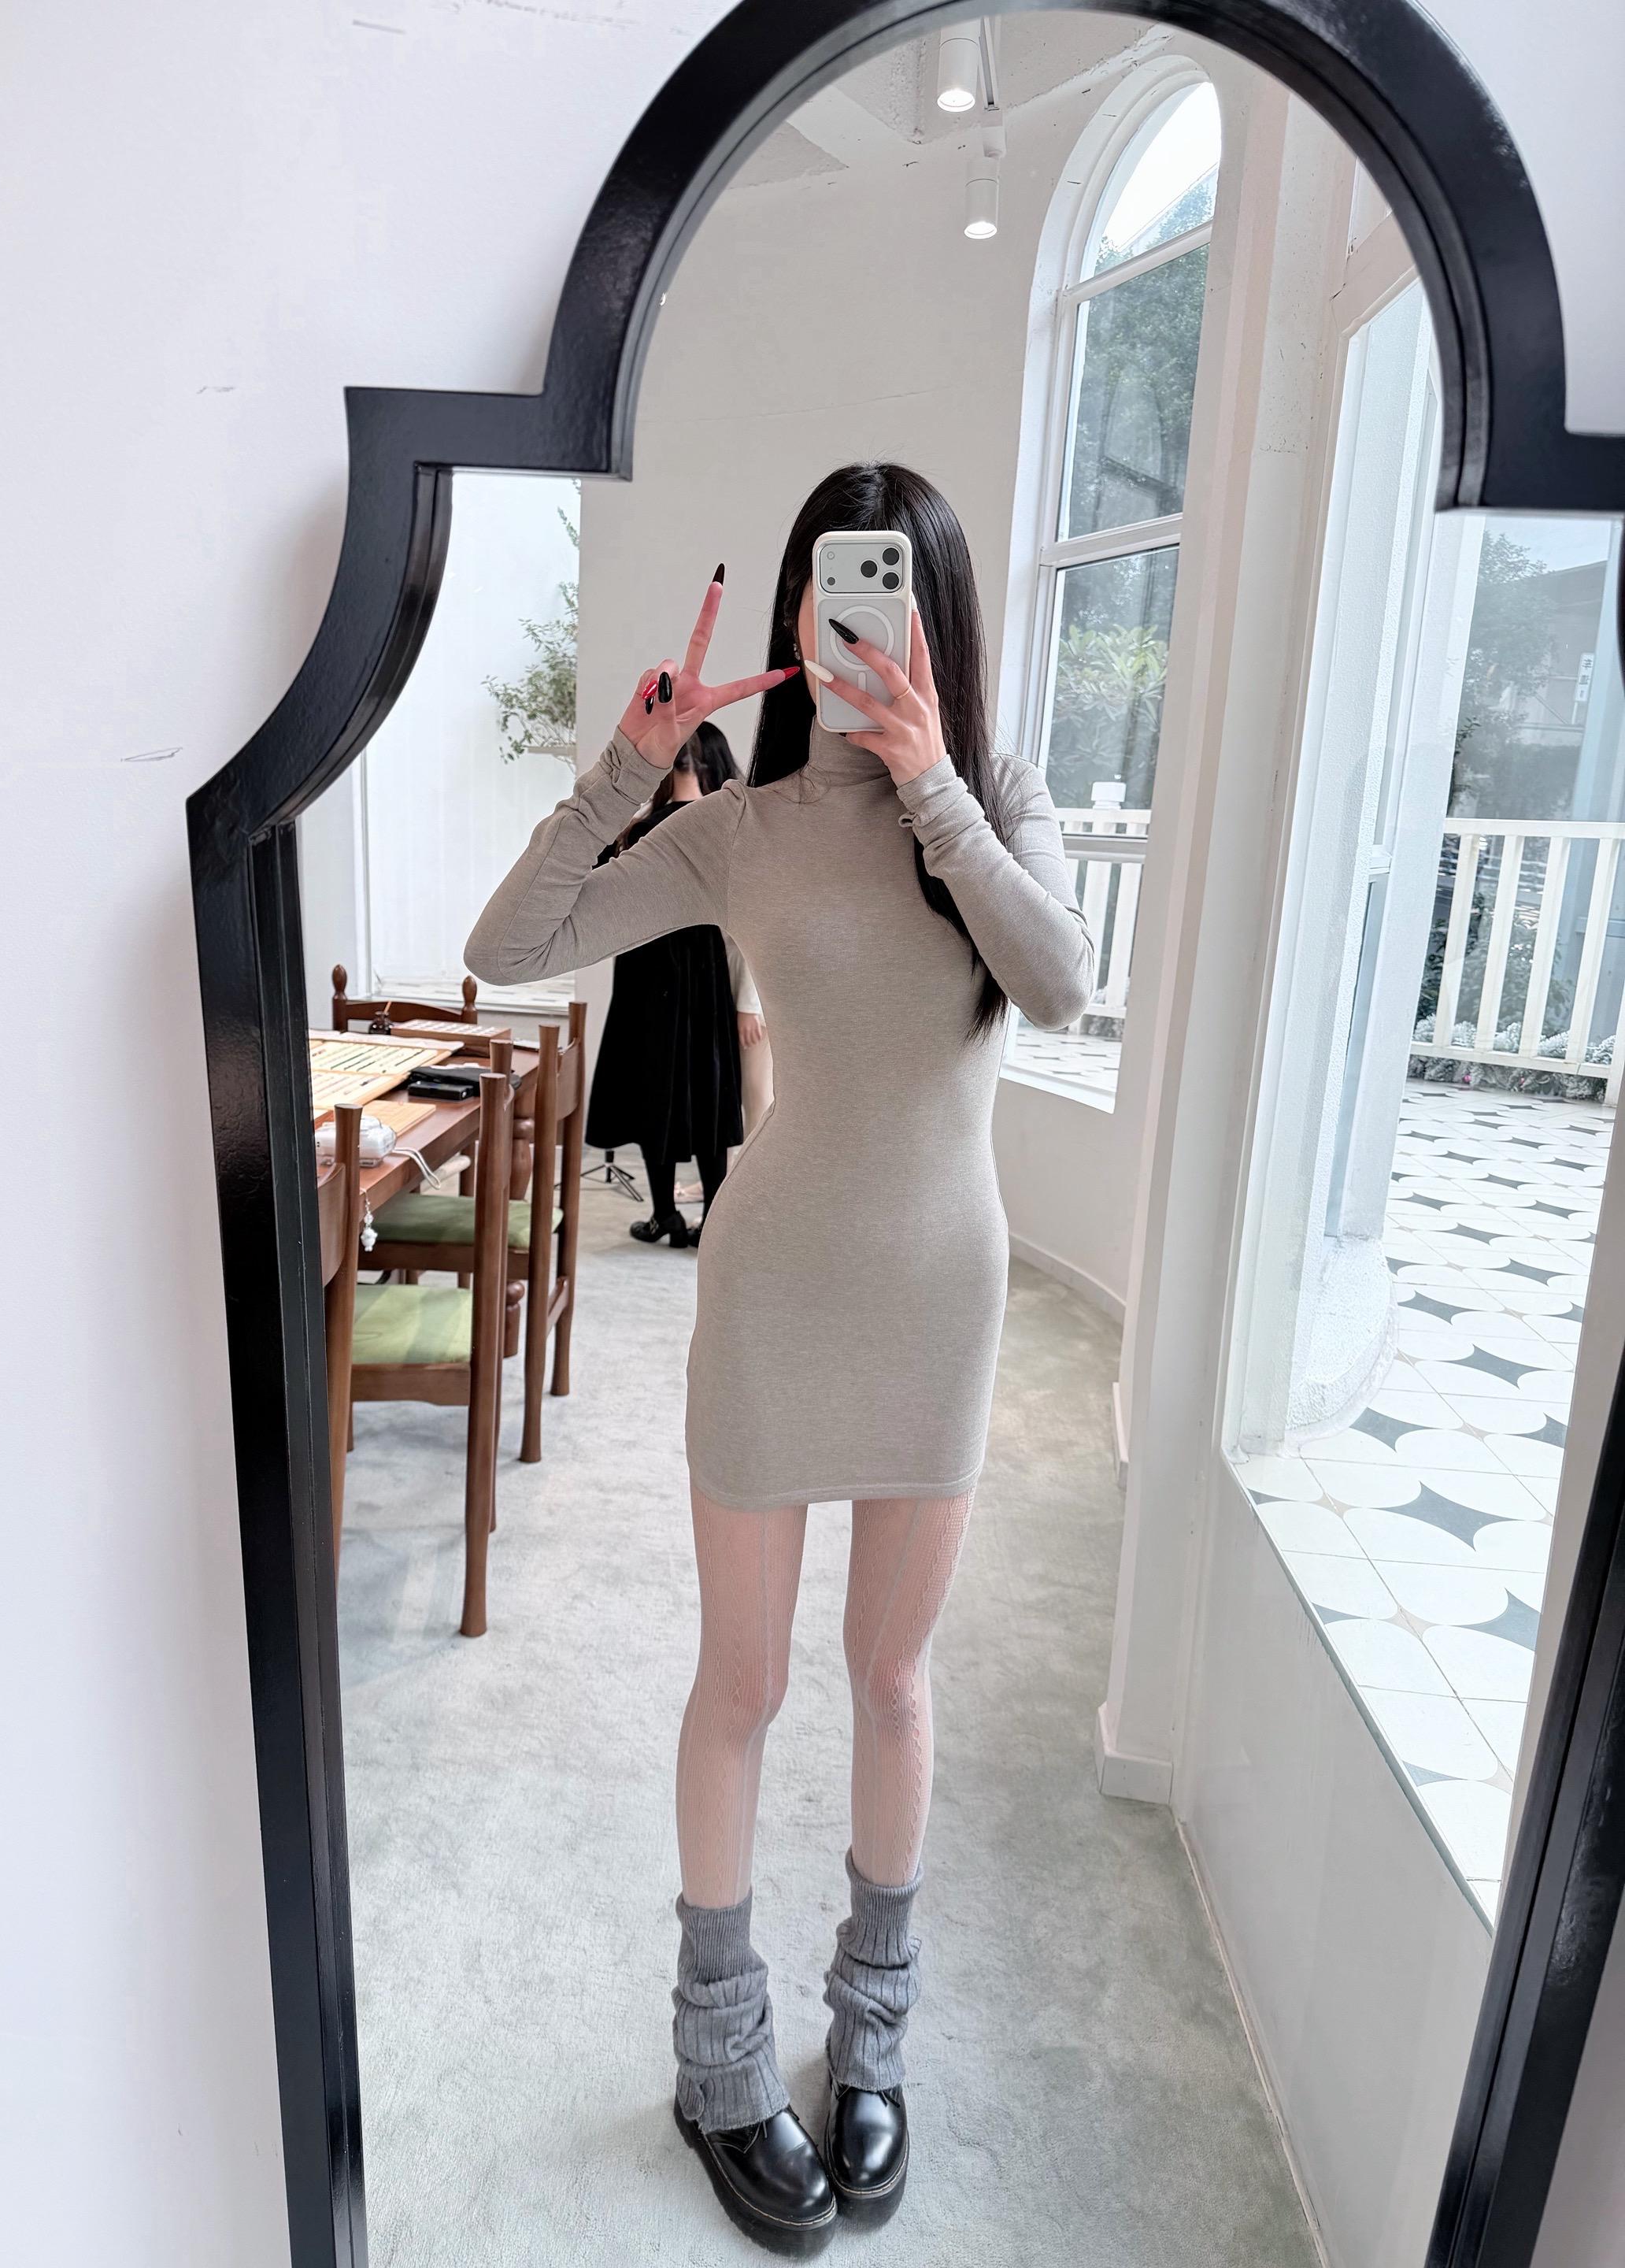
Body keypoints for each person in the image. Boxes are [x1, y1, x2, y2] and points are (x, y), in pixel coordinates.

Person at [467, 464, 1094, 2255]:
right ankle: (719, 2060)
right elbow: (506, 950)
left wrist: (936, 787)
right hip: (772, 1301)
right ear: (798, 616)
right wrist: (627, 763)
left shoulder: (1000, 800)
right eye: (833, 590)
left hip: (940, 1307)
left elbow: (1059, 984)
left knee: (891, 1680)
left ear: (936, 616)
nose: (858, 623)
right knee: (739, 1685)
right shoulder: (741, 826)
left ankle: (869, 2039)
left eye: (887, 591)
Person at [584, 722, 758, 1247]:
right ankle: (712, 1220)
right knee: (709, 1093)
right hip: (705, 973)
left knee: (652, 1091)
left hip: (647, 974)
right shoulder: (727, 826)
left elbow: (596, 888)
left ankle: (666, 1215)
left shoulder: (641, 831)